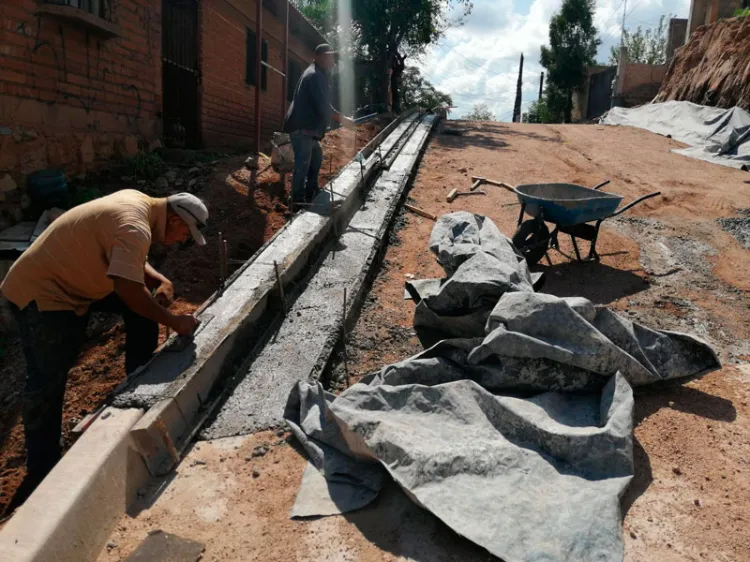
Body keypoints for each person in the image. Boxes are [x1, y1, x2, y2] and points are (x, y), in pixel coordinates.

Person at [0, 190, 208, 508]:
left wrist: (157, 279)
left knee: (142, 310)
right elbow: (126, 286)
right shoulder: (135, 225)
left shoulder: (139, 205)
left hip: (75, 279)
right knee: (47, 380)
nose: (181, 240)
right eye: (184, 233)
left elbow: (125, 257)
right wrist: (174, 322)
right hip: (43, 294)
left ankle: (137, 380)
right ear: (176, 219)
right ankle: (42, 472)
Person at [283, 43, 353, 207]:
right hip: (303, 129)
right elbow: (323, 106)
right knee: (303, 164)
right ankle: (297, 201)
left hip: (308, 130)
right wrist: (343, 119)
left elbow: (323, 105)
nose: (332, 61)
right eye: (329, 57)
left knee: (316, 160)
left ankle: (311, 192)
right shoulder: (315, 76)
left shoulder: (315, 73)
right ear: (319, 57)